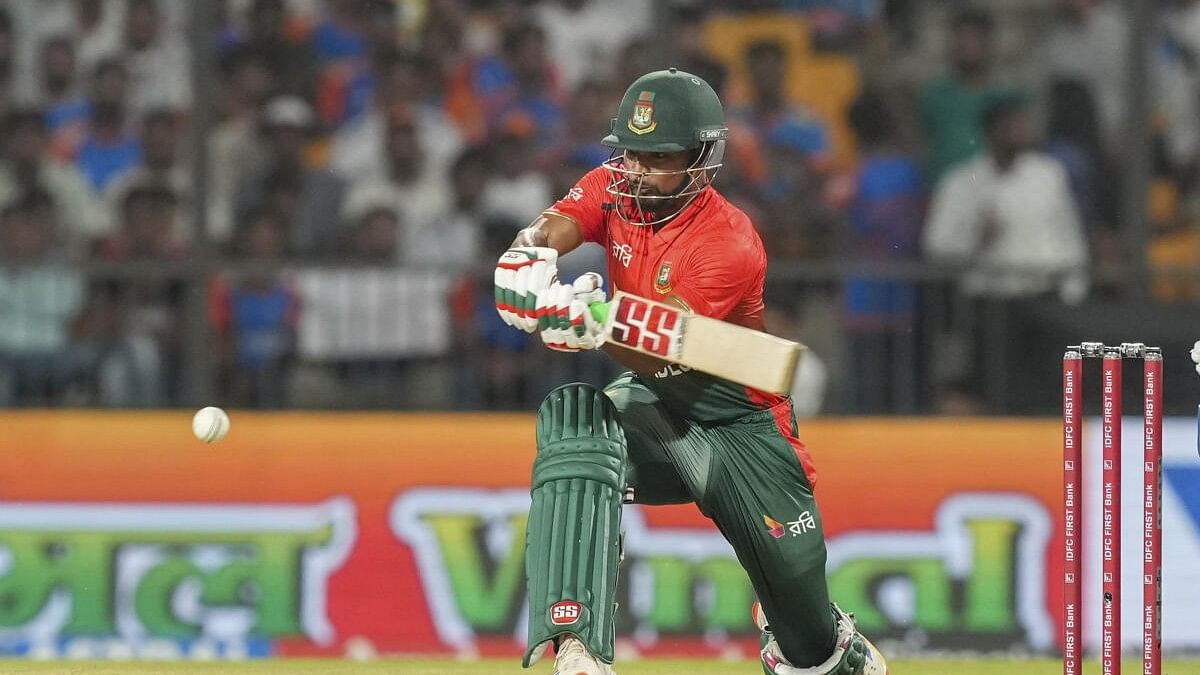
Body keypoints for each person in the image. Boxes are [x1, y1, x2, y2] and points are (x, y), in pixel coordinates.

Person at [493, 68, 887, 675]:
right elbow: (559, 223)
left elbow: (667, 340)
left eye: (659, 156)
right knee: (574, 421)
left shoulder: (729, 242)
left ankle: (830, 643)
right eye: (630, 153)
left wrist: (591, 322)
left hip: (743, 428)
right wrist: (529, 252)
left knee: (809, 652)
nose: (639, 169)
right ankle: (576, 644)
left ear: (703, 158)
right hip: (656, 408)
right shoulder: (613, 186)